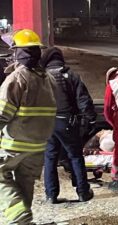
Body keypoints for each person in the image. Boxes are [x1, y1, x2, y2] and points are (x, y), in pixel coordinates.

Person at [0, 29, 57, 225]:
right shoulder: (48, 79)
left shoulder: (17, 78)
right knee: (26, 182)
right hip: (38, 145)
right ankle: (23, 221)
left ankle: (18, 217)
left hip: (16, 142)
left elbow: (2, 113)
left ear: (17, 52)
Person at [40, 47, 96, 203]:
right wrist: (90, 120)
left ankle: (51, 195)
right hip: (67, 122)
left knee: (50, 158)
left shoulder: (42, 77)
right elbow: (83, 100)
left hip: (47, 123)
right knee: (75, 156)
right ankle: (83, 192)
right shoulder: (71, 76)